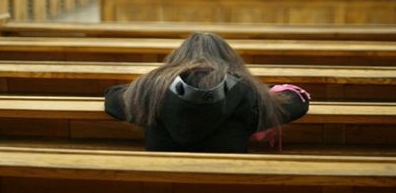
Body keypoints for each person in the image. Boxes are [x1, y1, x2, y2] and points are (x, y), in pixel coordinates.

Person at [105, 32, 310, 153]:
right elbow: (296, 103)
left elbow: (113, 98)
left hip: (160, 183)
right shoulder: (246, 91)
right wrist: (264, 90)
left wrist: (150, 82)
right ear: (229, 60)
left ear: (178, 58)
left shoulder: (151, 89)